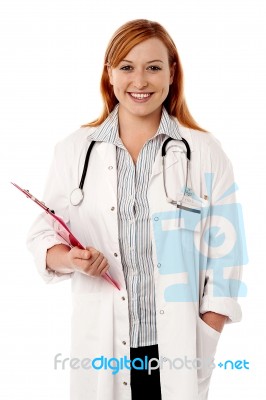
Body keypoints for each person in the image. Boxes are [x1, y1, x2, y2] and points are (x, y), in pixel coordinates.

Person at [26, 18, 247, 400]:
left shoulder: (205, 153)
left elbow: (226, 262)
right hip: (104, 347)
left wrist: (205, 338)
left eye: (153, 67)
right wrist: (73, 259)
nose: (139, 81)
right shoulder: (75, 151)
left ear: (172, 73)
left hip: (178, 350)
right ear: (109, 74)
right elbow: (43, 236)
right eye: (127, 67)